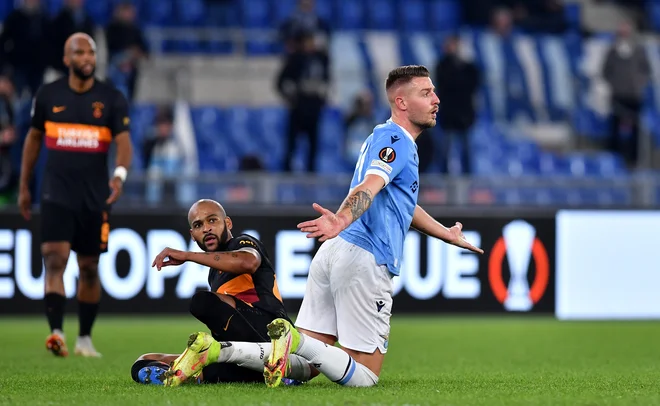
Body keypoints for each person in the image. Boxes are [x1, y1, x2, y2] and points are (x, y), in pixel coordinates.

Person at [264, 65, 484, 387]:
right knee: (364, 377)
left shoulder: (382, 136)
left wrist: (445, 233)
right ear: (402, 102)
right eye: (426, 93)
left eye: (434, 91)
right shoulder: (398, 141)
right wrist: (340, 218)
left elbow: (399, 202)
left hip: (334, 253)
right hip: (363, 258)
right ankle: (294, 340)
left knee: (303, 367)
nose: (436, 99)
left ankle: (220, 353)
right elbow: (370, 185)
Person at [17, 33, 133, 358]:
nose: (86, 57)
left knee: (90, 267)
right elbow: (33, 139)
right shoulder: (48, 95)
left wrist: (119, 176)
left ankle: (84, 338)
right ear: (66, 59)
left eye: (91, 52)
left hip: (95, 196)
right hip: (56, 191)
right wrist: (25, 185)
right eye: (79, 52)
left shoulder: (111, 98)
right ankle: (56, 333)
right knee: (54, 258)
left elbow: (124, 143)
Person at [149, 199, 315, 386]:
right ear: (193, 235)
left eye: (212, 221)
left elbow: (248, 262)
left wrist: (187, 256)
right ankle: (268, 372)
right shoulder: (214, 274)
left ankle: (279, 361)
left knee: (203, 302)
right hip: (241, 350)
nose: (206, 229)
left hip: (272, 332)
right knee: (145, 361)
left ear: (227, 223)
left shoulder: (244, 243)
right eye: (198, 225)